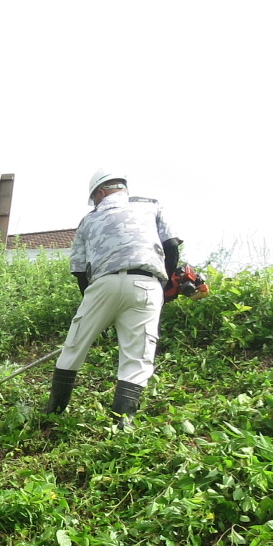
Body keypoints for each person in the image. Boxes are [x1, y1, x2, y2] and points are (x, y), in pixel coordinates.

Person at [46, 169, 182, 425]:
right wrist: (164, 289)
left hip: (103, 283)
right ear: (123, 189)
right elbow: (172, 246)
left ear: (99, 192)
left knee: (73, 347)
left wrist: (95, 310)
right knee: (137, 355)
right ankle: (122, 424)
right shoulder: (152, 207)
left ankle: (51, 415)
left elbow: (79, 271)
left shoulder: (88, 220)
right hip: (147, 283)